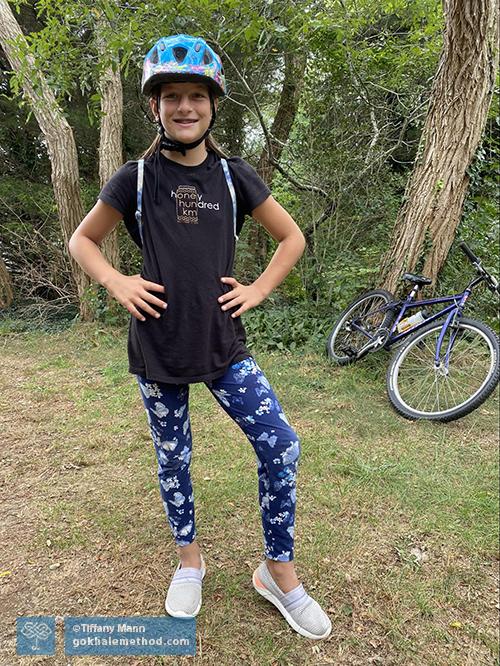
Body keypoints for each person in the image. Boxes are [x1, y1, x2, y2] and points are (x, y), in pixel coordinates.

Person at [68, 34, 331, 640]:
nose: (184, 107)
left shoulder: (237, 177)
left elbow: (290, 240)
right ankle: (190, 562)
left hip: (223, 347)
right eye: (171, 97)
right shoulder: (134, 178)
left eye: (196, 96)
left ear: (214, 104)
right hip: (158, 349)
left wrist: (258, 291)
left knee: (281, 446)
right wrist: (116, 281)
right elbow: (83, 240)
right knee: (174, 459)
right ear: (154, 106)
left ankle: (279, 574)